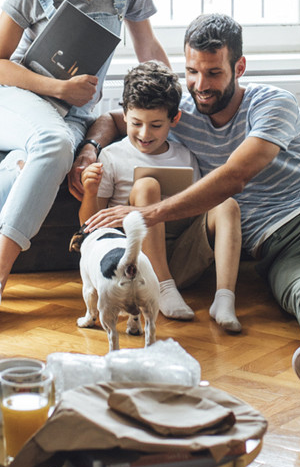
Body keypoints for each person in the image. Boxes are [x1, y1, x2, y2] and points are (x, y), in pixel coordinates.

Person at [84, 14, 300, 403]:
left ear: (239, 67)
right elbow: (115, 119)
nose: (201, 85)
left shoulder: (273, 102)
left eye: (214, 73)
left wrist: (146, 215)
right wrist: (89, 151)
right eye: (191, 71)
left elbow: (236, 176)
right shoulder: (181, 112)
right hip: (284, 247)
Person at [0, 0, 171, 332]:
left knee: (35, 158)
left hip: (68, 115)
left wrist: (174, 97)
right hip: (9, 97)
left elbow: (148, 50)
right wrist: (59, 88)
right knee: (51, 143)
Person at [77, 62, 244, 331]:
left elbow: (200, 206)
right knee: (147, 187)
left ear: (173, 120)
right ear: (125, 115)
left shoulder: (184, 155)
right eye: (136, 123)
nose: (144, 134)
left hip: (182, 255)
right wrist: (91, 191)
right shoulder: (111, 156)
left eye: (155, 125)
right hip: (133, 265)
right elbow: (89, 225)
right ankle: (164, 289)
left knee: (226, 203)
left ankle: (224, 298)